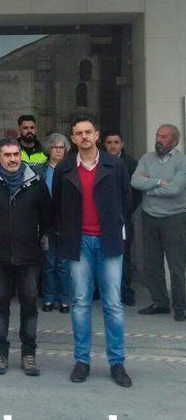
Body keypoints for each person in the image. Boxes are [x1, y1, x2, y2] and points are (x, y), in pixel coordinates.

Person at [52, 114, 132, 387]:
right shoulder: (64, 169)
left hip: (108, 240)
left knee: (113, 304)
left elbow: (126, 200)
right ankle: (82, 361)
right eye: (79, 133)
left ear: (97, 135)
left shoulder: (116, 165)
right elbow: (57, 205)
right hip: (79, 242)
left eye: (88, 132)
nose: (84, 137)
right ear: (72, 138)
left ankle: (117, 363)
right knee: (81, 304)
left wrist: (117, 224)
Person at [0, 138, 51, 376]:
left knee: (29, 307)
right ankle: (0, 354)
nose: (13, 159)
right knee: (0, 307)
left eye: (16, 154)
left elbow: (47, 217)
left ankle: (29, 355)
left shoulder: (37, 185)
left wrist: (35, 236)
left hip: (28, 257)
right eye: (7, 155)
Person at [131, 124, 186, 322]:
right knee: (151, 263)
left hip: (175, 218)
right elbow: (135, 181)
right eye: (157, 135)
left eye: (164, 137)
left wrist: (149, 187)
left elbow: (175, 189)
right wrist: (159, 182)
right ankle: (160, 302)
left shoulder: (182, 161)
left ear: (174, 141)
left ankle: (180, 306)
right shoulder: (146, 158)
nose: (159, 140)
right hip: (149, 217)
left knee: (176, 264)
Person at [103, 130, 141, 306]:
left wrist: (125, 212)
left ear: (122, 144)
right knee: (101, 254)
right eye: (109, 142)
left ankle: (125, 291)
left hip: (123, 218)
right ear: (104, 144)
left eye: (116, 142)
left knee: (124, 255)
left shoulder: (131, 163)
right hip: (102, 218)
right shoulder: (98, 161)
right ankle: (100, 289)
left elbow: (136, 194)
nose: (112, 145)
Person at [37, 133, 71, 313]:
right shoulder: (40, 171)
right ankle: (49, 298)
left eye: (61, 147)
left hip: (65, 222)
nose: (58, 150)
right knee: (48, 263)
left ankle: (65, 300)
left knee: (64, 264)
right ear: (48, 149)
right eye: (55, 147)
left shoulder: (70, 169)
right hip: (46, 222)